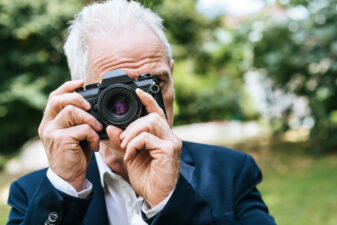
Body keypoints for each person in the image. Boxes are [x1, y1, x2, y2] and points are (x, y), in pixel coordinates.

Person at [7, 0, 276, 224]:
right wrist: (66, 187)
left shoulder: (230, 173)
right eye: (115, 94)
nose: (138, 103)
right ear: (79, 95)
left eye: (154, 84)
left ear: (171, 75)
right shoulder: (36, 194)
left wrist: (168, 201)